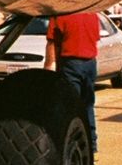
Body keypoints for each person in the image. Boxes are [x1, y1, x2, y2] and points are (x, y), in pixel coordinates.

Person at [44, 9, 103, 155]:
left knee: (70, 105)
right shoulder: (93, 15)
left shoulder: (60, 15)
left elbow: (52, 43)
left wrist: (49, 66)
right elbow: (95, 38)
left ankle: (69, 143)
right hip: (90, 63)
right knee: (88, 104)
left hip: (70, 62)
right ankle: (92, 144)